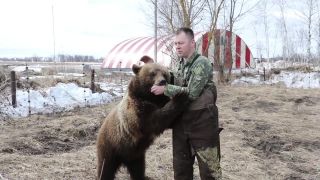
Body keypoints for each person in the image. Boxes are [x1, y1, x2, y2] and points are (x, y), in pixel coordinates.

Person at [151, 27, 222, 180]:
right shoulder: (179, 64)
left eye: (181, 43)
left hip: (202, 122)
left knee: (210, 171)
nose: (177, 46)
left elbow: (192, 92)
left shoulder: (201, 63)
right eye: (175, 43)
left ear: (192, 43)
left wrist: (166, 89)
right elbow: (172, 79)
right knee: (181, 169)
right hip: (181, 123)